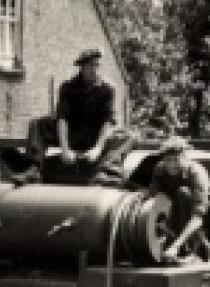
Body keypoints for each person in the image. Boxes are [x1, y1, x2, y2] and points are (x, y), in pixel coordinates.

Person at [18, 48, 136, 186]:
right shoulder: (68, 87)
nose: (95, 69)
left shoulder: (107, 89)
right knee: (37, 124)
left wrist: (97, 149)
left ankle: (106, 172)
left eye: (97, 65)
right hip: (71, 133)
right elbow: (62, 119)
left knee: (127, 136)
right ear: (82, 67)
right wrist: (65, 150)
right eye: (91, 65)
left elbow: (107, 121)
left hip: (94, 135)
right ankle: (33, 170)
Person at [149, 136, 210, 263]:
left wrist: (176, 246)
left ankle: (193, 245)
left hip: (206, 210)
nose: (172, 165)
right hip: (177, 208)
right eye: (168, 160)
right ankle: (185, 240)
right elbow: (153, 199)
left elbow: (198, 216)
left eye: (176, 160)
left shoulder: (196, 173)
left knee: (183, 192)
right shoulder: (160, 170)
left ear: (184, 157)